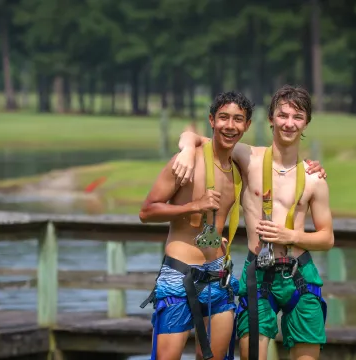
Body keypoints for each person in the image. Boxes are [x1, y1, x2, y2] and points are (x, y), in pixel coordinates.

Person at [173, 85, 333, 360]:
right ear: (270, 118)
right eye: (282, 115)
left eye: (297, 117)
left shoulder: (314, 178)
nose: (289, 123)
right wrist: (187, 149)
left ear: (306, 122)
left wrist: (289, 236)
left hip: (300, 276)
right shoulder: (248, 157)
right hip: (257, 274)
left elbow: (327, 238)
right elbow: (194, 136)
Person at [139, 91, 253, 360]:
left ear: (247, 125)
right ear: (212, 120)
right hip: (180, 276)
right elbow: (146, 211)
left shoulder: (238, 167)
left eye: (238, 119)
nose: (230, 125)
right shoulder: (187, 162)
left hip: (218, 276)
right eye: (223, 117)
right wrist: (193, 206)